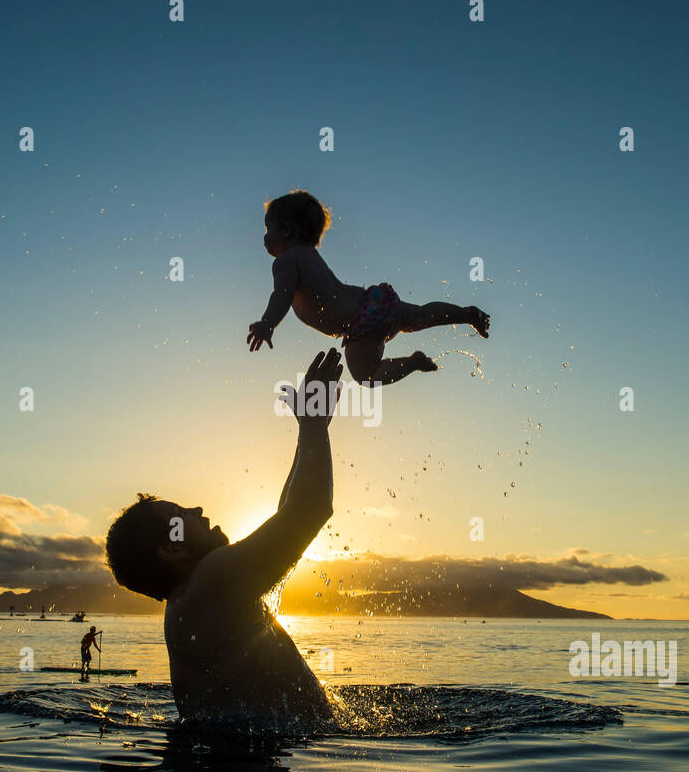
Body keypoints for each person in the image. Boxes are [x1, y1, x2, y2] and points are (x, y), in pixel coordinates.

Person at [105, 349, 344, 729]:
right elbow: (309, 510)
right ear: (171, 548)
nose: (197, 512)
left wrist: (307, 428)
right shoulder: (209, 584)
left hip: (238, 764)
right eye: (181, 514)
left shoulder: (198, 598)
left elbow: (286, 517)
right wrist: (314, 428)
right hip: (242, 767)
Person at [246, 190, 490, 386]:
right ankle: (466, 314)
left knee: (367, 375)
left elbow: (282, 294)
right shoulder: (309, 255)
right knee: (420, 315)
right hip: (373, 301)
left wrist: (268, 323)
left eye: (269, 230)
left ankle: (413, 362)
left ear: (287, 230)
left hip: (358, 325)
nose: (265, 238)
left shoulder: (286, 262)